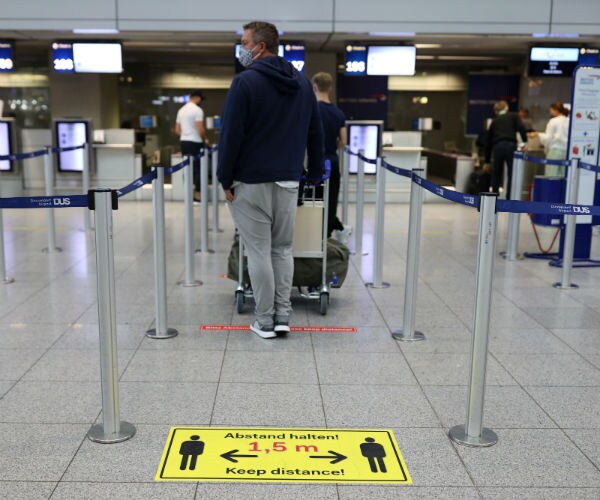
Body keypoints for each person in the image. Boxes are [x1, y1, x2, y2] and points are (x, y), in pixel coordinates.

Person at [217, 21, 324, 339]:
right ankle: (283, 317)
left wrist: (225, 177)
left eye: (245, 41)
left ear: (260, 46)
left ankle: (264, 321)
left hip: (251, 181)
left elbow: (231, 135)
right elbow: (314, 131)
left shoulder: (245, 82)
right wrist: (315, 174)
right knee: (283, 250)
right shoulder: (302, 83)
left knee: (259, 251)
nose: (242, 47)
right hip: (289, 180)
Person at [311, 71, 351, 243]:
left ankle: (313, 233)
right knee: (331, 199)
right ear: (330, 88)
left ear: (314, 87)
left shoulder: (311, 110)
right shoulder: (338, 113)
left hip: (314, 163)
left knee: (314, 200)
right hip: (332, 163)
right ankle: (329, 232)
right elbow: (344, 140)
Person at [484, 100, 528, 199]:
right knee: (511, 173)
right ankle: (509, 197)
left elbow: (488, 142)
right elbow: (521, 128)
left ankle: (493, 197)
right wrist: (524, 143)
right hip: (510, 146)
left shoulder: (494, 121)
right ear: (506, 108)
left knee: (496, 173)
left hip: (497, 146)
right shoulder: (513, 116)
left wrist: (487, 161)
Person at [176, 90, 209, 202]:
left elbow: (177, 130)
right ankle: (197, 196)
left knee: (187, 168)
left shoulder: (181, 110)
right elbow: (200, 128)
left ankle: (187, 195)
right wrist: (205, 140)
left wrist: (186, 134)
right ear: (197, 98)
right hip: (195, 142)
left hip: (184, 142)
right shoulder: (198, 110)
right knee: (198, 169)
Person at [528, 100, 569, 176]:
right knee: (562, 176)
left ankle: (551, 188)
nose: (550, 113)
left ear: (556, 110)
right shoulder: (569, 121)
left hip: (555, 151)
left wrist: (537, 134)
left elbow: (548, 138)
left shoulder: (553, 121)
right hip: (566, 152)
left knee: (551, 175)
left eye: (551, 111)